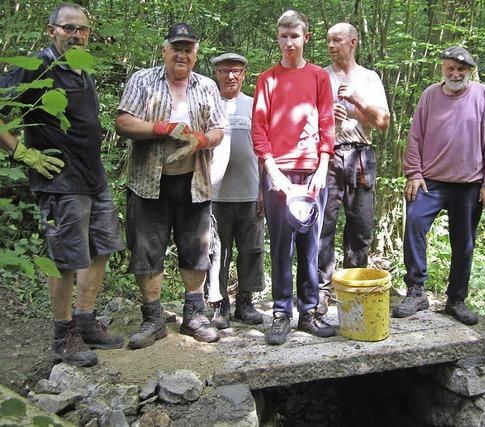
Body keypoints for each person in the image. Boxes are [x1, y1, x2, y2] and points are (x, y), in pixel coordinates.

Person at [0, 2, 124, 366]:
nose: (76, 35)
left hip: (93, 176)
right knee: (65, 259)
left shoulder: (80, 68)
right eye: (69, 28)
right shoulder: (37, 66)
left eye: (82, 29)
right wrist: (23, 152)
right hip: (60, 181)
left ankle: (84, 321)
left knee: (102, 246)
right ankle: (62, 334)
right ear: (51, 29)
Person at [115, 23, 227, 349]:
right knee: (147, 248)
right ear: (165, 50)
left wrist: (202, 139)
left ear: (196, 54)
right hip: (149, 182)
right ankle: (153, 320)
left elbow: (219, 129)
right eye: (176, 48)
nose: (182, 54)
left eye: (188, 49)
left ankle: (194, 315)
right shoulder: (142, 80)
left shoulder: (207, 86)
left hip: (195, 182)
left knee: (196, 248)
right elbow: (123, 122)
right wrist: (162, 128)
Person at [393, 46, 485, 325]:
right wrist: (413, 173)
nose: (455, 74)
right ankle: (416, 290)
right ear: (443, 69)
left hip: (469, 183)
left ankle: (456, 299)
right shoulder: (430, 94)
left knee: (463, 243)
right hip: (430, 181)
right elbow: (415, 135)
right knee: (415, 224)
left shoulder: (484, 95)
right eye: (450, 68)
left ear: (470, 71)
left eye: (461, 69)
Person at [252, 10, 336, 345]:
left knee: (311, 244)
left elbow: (328, 123)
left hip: (313, 172)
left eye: (295, 36)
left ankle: (310, 312)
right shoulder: (267, 79)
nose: (289, 43)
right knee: (281, 246)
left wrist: (323, 167)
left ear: (306, 37)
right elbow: (259, 131)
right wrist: (274, 173)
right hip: (279, 174)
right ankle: (281, 312)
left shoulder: (318, 77)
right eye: (284, 36)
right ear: (278, 38)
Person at [316, 23, 390, 314]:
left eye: (337, 41)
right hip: (328, 155)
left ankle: (353, 287)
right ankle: (321, 291)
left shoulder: (369, 78)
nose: (331, 46)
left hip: (361, 155)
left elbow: (383, 122)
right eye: (328, 41)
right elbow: (307, 121)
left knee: (360, 227)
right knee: (324, 225)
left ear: (353, 43)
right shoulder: (320, 76)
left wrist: (355, 99)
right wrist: (327, 118)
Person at [207, 52, 265, 329]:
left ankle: (245, 302)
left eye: (236, 71)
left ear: (244, 75)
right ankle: (219, 305)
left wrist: (265, 189)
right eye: (225, 70)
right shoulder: (207, 104)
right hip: (215, 195)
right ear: (216, 73)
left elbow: (266, 151)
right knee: (217, 251)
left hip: (251, 192)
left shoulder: (255, 106)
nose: (230, 75)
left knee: (251, 249)